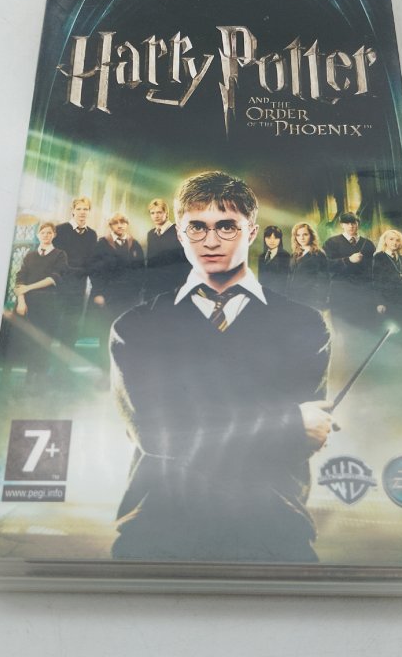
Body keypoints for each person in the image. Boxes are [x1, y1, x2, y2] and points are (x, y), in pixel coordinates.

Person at [109, 171, 334, 563]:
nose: (210, 241)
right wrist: (286, 423)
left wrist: (190, 413)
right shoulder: (136, 326)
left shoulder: (305, 324)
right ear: (180, 234)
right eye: (197, 227)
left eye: (227, 226)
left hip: (274, 525)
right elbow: (157, 432)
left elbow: (297, 447)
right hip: (158, 526)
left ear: (252, 232)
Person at [13, 222, 69, 378]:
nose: (46, 235)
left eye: (49, 233)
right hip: (27, 305)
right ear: (38, 235)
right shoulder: (30, 256)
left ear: (54, 235)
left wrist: (28, 288)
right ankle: (28, 376)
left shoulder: (60, 255)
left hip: (48, 305)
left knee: (44, 341)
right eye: (43, 232)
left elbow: (53, 278)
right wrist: (21, 301)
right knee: (28, 340)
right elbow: (20, 279)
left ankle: (41, 377)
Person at [89, 212, 145, 367]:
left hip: (129, 298)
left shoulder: (135, 245)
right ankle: (104, 368)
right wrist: (99, 293)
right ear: (111, 226)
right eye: (116, 223)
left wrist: (137, 293)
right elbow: (94, 271)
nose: (120, 225)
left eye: (123, 222)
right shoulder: (101, 244)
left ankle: (124, 368)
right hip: (108, 298)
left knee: (127, 331)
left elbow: (141, 270)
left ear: (127, 225)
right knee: (106, 332)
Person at [53, 197, 98, 354]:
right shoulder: (59, 230)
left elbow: (91, 261)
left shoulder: (92, 235)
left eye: (85, 209)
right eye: (79, 209)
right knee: (55, 322)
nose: (82, 212)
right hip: (60, 284)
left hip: (79, 285)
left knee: (72, 324)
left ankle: (65, 361)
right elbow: (55, 258)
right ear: (72, 211)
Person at [322, 211, 377, 328]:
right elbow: (325, 265)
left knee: (366, 326)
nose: (351, 226)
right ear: (342, 225)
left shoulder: (368, 244)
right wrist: (348, 260)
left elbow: (374, 269)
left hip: (363, 293)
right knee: (344, 327)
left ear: (358, 224)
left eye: (353, 223)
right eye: (347, 223)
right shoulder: (331, 243)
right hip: (341, 293)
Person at [143, 198, 190, 301]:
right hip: (154, 287)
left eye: (159, 212)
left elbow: (186, 261)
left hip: (174, 285)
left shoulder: (178, 231)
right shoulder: (151, 234)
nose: (156, 216)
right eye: (152, 213)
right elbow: (150, 264)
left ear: (166, 213)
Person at [373, 228, 402, 322]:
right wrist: (379, 302)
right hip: (389, 301)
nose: (395, 242)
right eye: (391, 239)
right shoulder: (379, 258)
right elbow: (376, 282)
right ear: (385, 241)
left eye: (397, 240)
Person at [288, 222, 329, 311]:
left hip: (311, 300)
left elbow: (324, 280)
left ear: (311, 236)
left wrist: (320, 301)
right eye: (298, 235)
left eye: (305, 234)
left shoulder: (318, 254)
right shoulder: (294, 255)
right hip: (294, 298)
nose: (301, 238)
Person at [257, 225, 291, 294]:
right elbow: (260, 280)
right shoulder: (262, 256)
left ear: (280, 239)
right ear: (264, 239)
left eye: (276, 238)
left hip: (279, 295)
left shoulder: (285, 256)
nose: (272, 241)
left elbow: (284, 281)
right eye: (269, 237)